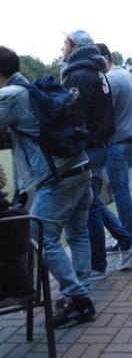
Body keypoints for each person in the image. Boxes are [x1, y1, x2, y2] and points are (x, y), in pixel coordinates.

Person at [0, 46, 95, 328]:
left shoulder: (10, 96)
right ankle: (79, 292)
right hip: (80, 167)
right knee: (78, 234)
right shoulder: (32, 90)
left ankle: (78, 300)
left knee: (41, 236)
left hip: (58, 179)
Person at [61, 31, 126, 281]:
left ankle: (98, 264)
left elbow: (71, 113)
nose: (61, 48)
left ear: (75, 47)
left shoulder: (79, 74)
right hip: (99, 144)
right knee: (93, 203)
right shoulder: (97, 72)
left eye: (65, 44)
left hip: (88, 147)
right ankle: (125, 240)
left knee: (89, 209)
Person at [97, 43, 132, 266]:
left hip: (117, 142)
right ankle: (126, 238)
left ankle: (127, 239)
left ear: (104, 58)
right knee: (123, 190)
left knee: (120, 191)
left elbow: (104, 114)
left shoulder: (110, 80)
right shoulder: (127, 75)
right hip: (131, 140)